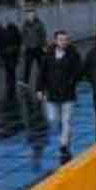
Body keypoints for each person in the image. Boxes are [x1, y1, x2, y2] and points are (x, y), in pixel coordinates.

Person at [37, 30, 84, 158]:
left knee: (67, 120)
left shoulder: (73, 55)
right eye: (60, 39)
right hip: (52, 93)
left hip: (68, 94)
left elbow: (79, 72)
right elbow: (42, 73)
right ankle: (67, 134)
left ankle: (63, 145)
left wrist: (72, 81)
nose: (63, 42)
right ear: (55, 41)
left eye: (65, 39)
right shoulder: (48, 55)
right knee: (53, 119)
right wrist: (39, 89)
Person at [21, 8, 48, 89]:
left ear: (35, 15)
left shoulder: (39, 24)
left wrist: (44, 46)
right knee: (27, 66)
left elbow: (43, 35)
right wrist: (24, 45)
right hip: (29, 49)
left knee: (42, 65)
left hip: (38, 48)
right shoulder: (24, 25)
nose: (29, 16)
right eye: (28, 15)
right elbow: (23, 36)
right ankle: (25, 82)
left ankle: (45, 80)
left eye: (31, 14)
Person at [0, 18, 22, 90]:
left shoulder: (14, 28)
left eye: (6, 21)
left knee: (11, 69)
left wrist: (17, 49)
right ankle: (10, 84)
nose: (5, 23)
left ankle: (11, 84)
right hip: (6, 53)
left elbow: (19, 39)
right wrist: (1, 50)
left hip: (13, 52)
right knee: (8, 69)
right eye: (4, 22)